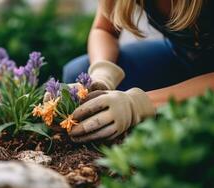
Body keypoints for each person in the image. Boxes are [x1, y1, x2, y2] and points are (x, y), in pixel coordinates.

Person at [63, 0, 214, 143]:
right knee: (78, 70)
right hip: (183, 58)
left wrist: (138, 104)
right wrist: (103, 74)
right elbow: (104, 30)